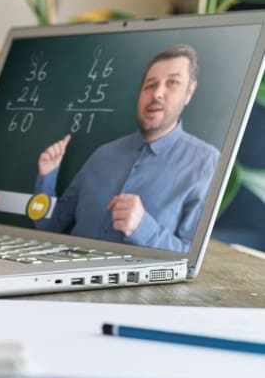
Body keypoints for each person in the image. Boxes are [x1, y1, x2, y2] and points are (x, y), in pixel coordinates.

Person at [34, 44, 219, 253]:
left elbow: (191, 258)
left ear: (189, 92)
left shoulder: (206, 162)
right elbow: (50, 225)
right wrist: (47, 178)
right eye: (150, 85)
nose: (157, 93)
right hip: (65, 274)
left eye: (172, 83)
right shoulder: (103, 154)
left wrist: (143, 228)